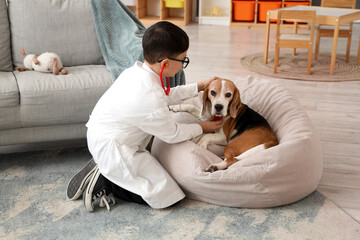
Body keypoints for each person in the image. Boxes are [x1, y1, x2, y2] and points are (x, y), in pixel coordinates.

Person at [67, 21, 223, 212]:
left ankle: (107, 168)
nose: (183, 65)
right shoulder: (149, 96)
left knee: (159, 180)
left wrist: (198, 86)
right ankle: (107, 181)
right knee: (169, 197)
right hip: (115, 150)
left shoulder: (137, 72)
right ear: (165, 63)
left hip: (101, 135)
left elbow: (165, 95)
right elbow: (173, 134)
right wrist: (203, 127)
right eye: (183, 61)